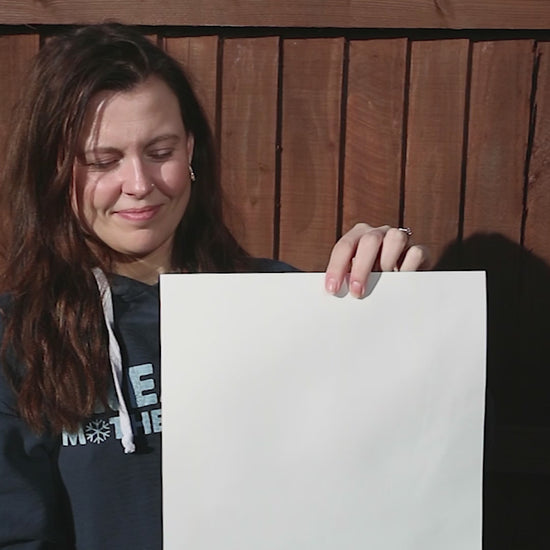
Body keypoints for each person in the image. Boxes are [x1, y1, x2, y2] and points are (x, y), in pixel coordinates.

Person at [0, 23, 427, 549]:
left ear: (191, 150)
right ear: (54, 169)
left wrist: (402, 310)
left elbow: (420, 457)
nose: (139, 183)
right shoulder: (16, 340)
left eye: (160, 151)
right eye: (103, 161)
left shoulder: (281, 301)